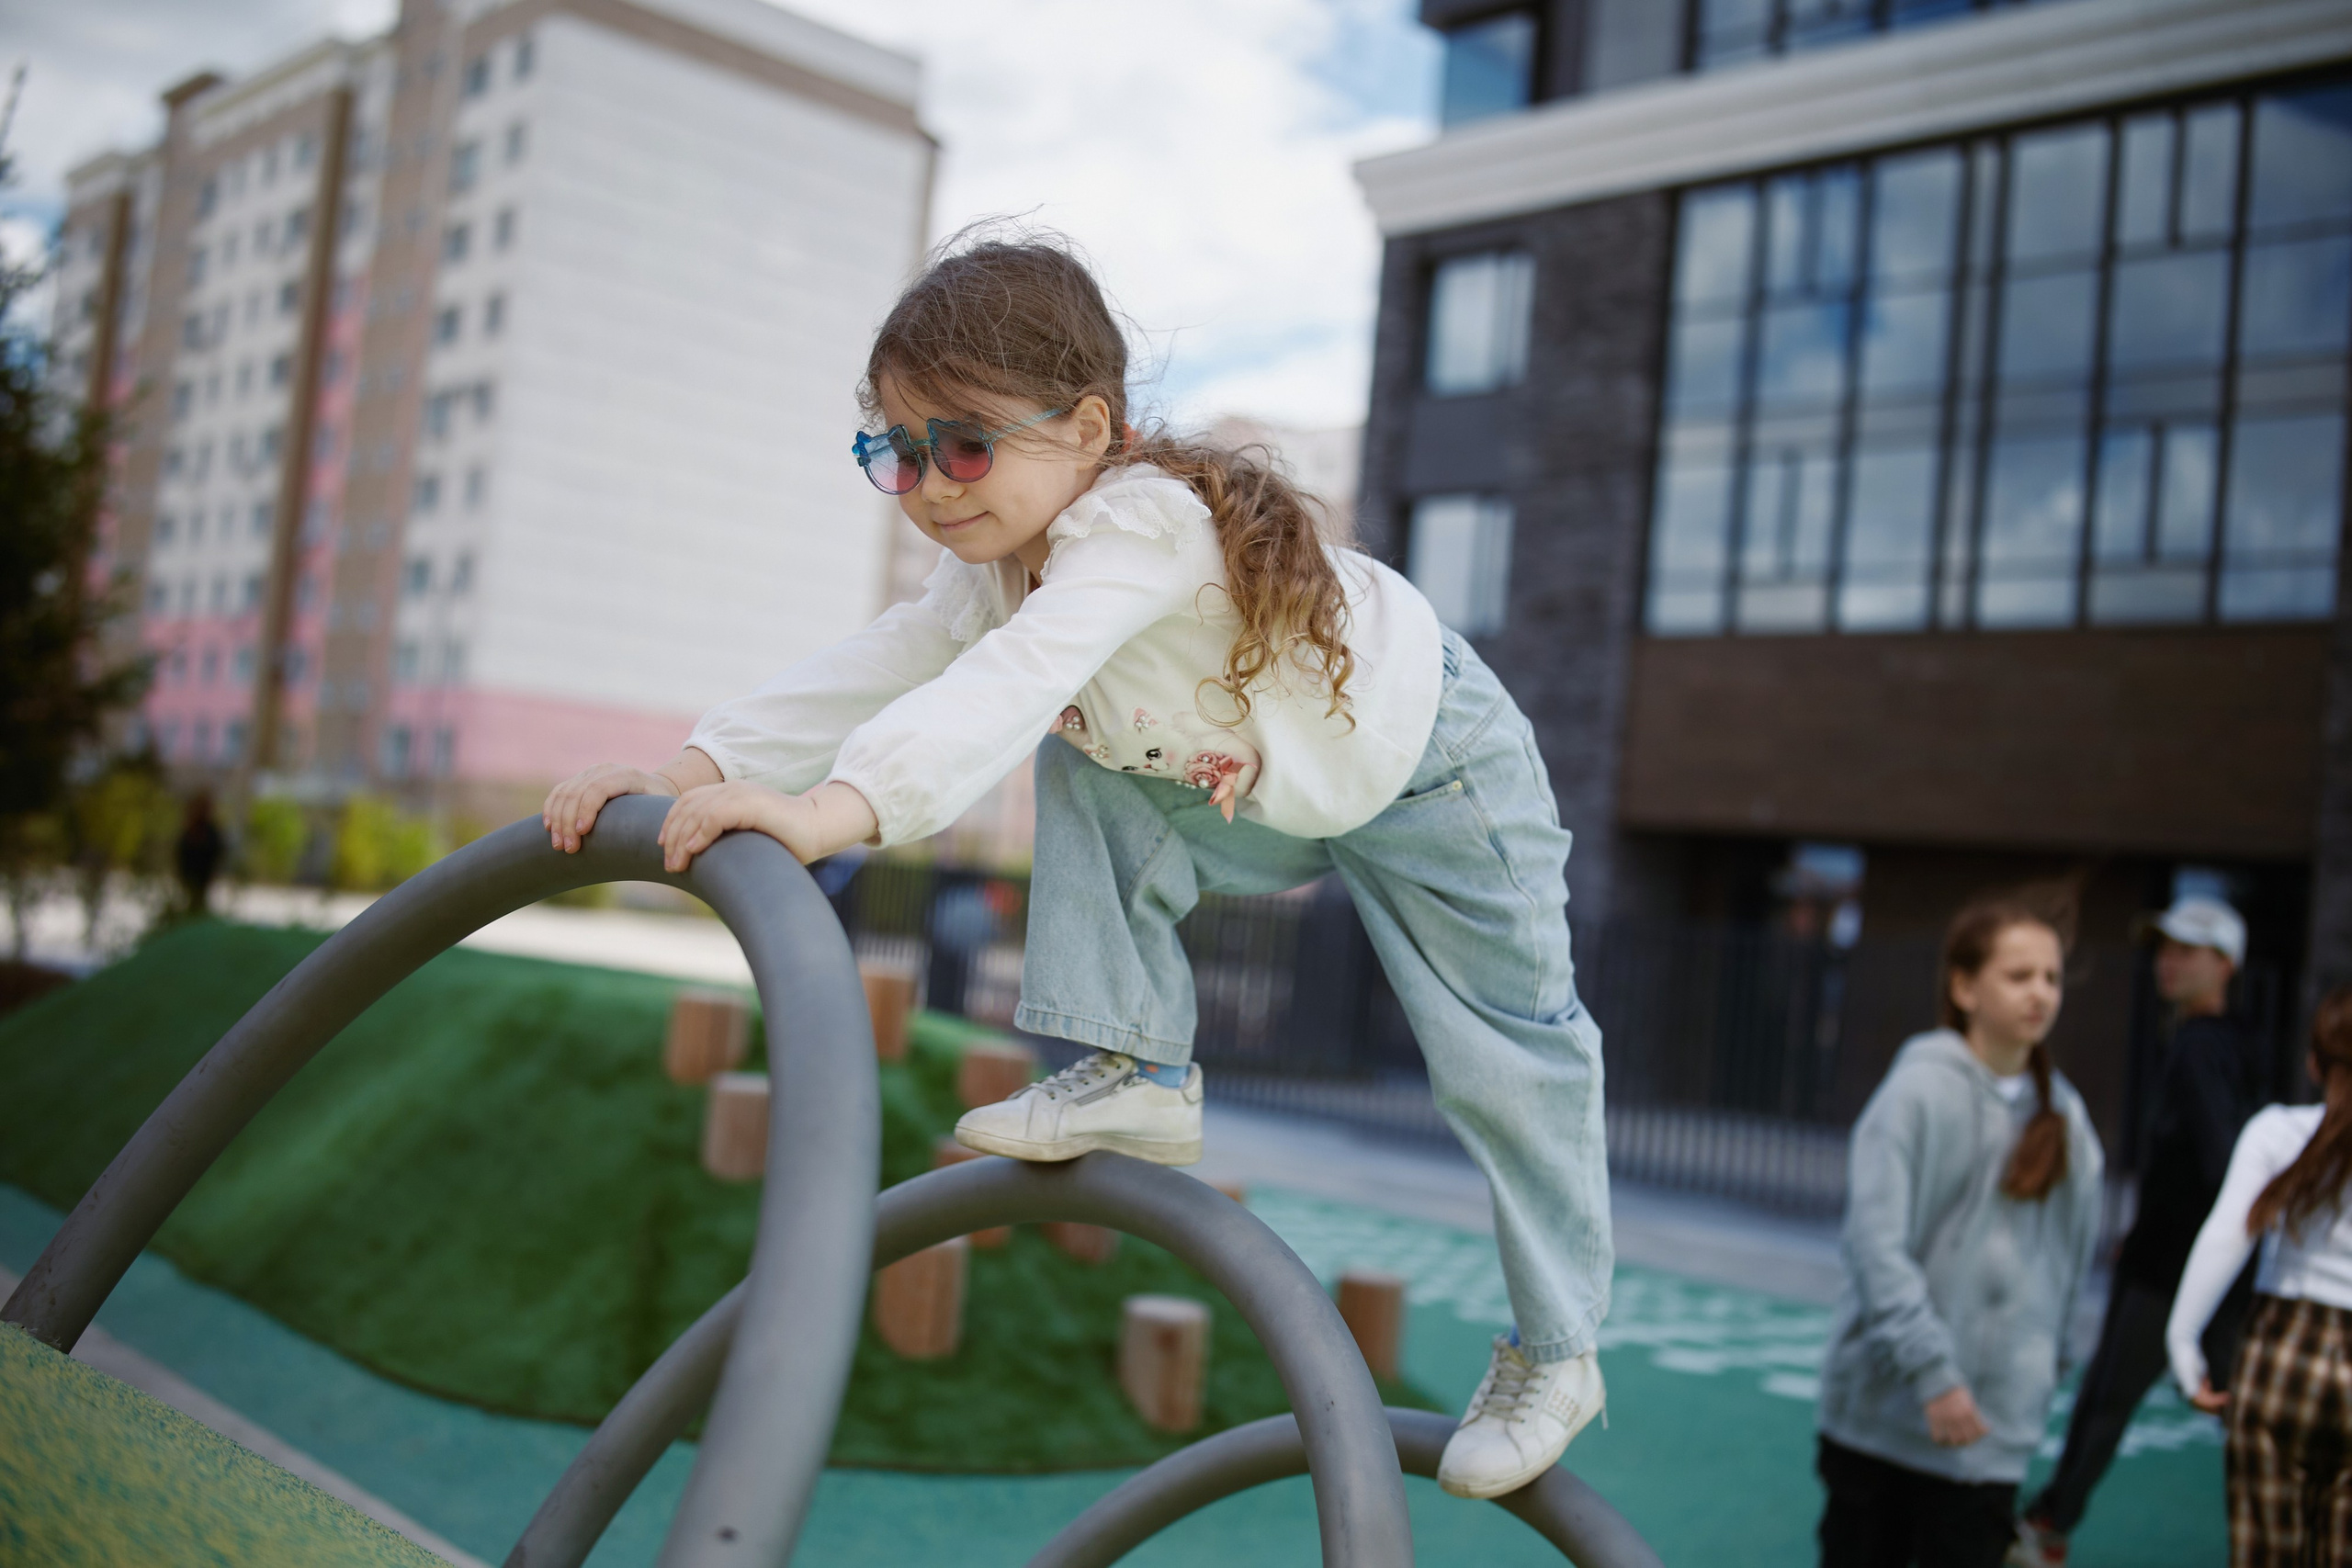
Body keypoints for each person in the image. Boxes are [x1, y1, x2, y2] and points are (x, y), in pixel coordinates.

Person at [539, 232, 1611, 1498]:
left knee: (1510, 1051)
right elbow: (875, 662)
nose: (936, 483)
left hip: (1436, 768)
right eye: (902, 448)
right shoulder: (986, 570)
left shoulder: (1143, 523)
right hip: (1278, 800)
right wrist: (687, 769)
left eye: (970, 442)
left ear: (1090, 427)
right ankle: (1138, 1065)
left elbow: (1013, 681)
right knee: (1084, 762)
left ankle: (1559, 1351)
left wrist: (837, 809)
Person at [1815, 892, 2106, 1568]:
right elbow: (1875, 1244)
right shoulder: (1917, 1089)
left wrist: (2039, 1371)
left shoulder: (2069, 1118)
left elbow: (2069, 1267)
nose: (2041, 991)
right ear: (1964, 985)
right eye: (2019, 974)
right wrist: (1934, 1375)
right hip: (1883, 1423)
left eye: (2052, 977)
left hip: (1991, 1434)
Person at [2012, 895, 2259, 1566]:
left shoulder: (2199, 1047)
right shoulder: (2228, 1042)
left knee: (2107, 1400)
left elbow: (2217, 1159)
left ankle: (2046, 1526)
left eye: (2188, 950)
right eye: (2165, 948)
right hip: (2198, 1259)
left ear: (2226, 963)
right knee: (2252, 1412)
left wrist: (2175, 1239)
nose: (2169, 962)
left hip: (2174, 1267)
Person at [2165, 987, 2352, 1568]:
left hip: (2280, 1353)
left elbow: (2228, 1233)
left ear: (2314, 1063)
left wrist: (2183, 1340)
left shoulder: (2278, 1131)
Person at [174, 793, 225, 916]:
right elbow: (182, 852)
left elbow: (216, 853)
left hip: (203, 877)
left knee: (198, 905)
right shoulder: (191, 829)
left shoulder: (210, 831)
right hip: (190, 875)